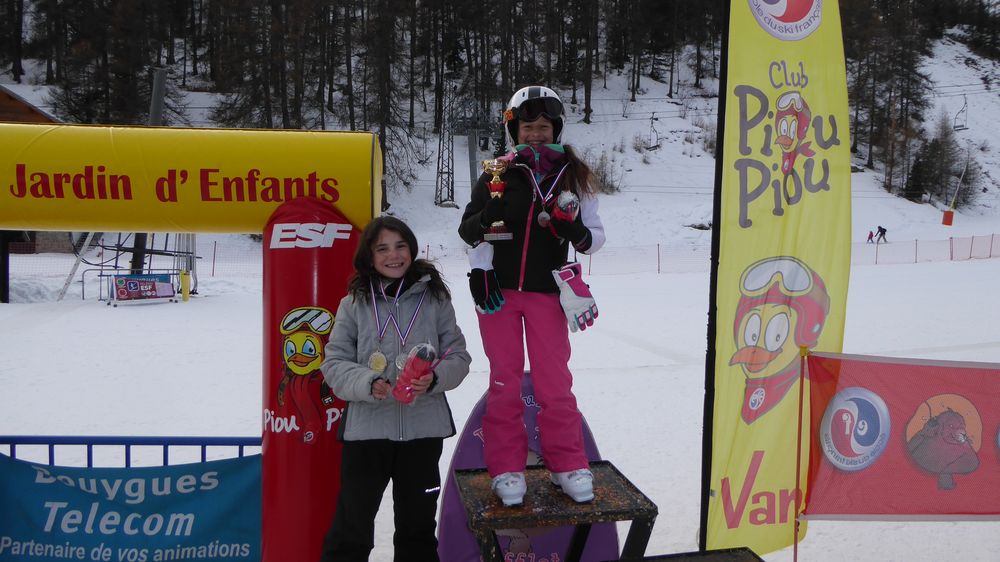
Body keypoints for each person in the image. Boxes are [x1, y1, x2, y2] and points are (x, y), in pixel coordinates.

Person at [458, 85, 606, 507]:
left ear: (556, 129)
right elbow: (468, 231)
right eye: (528, 127)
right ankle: (506, 468)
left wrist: (574, 230)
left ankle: (567, 464)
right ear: (515, 131)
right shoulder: (497, 173)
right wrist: (480, 270)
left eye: (544, 126)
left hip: (547, 294)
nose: (536, 134)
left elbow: (595, 240)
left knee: (554, 383)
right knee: (504, 381)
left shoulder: (573, 177)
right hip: (500, 295)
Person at [319, 216, 471, 562]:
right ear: (369, 256)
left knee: (418, 531)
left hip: (422, 433)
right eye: (382, 248)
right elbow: (334, 362)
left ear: (412, 249)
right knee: (351, 530)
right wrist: (366, 382)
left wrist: (434, 378)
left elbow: (458, 356)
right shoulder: (354, 303)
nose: (393, 255)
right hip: (367, 434)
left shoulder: (435, 299)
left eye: (400, 246)